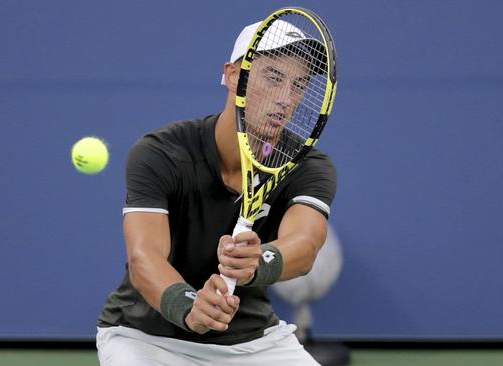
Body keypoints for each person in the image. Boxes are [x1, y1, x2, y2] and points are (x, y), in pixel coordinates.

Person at [95, 19, 336, 366]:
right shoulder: (161, 153)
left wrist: (260, 261)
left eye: (299, 85)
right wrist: (188, 306)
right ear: (233, 75)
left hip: (253, 342)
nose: (286, 98)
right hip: (146, 338)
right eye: (273, 77)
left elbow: (305, 244)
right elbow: (144, 256)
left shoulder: (309, 165)